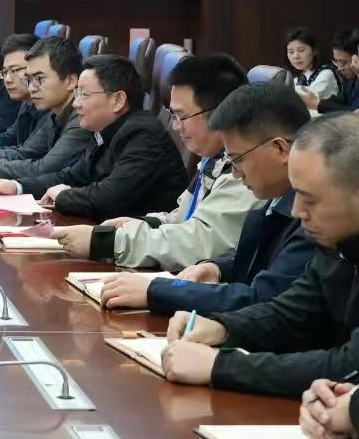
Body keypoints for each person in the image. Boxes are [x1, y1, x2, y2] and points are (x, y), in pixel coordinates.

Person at [161, 113, 359, 396]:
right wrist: (222, 327)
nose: (296, 211)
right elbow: (290, 313)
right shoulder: (336, 244)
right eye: (296, 195)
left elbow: (350, 366)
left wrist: (221, 366)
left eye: (310, 199)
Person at [97, 82, 314, 313]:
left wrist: (156, 291)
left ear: (280, 149)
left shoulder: (311, 217)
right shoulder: (276, 196)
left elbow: (262, 299)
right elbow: (259, 267)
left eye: (238, 159)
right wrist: (216, 268)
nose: (235, 173)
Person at [54, 54, 256, 270]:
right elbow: (185, 219)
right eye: (173, 115)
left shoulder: (245, 172)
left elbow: (197, 242)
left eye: (182, 116)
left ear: (221, 113)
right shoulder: (213, 159)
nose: (176, 126)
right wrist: (144, 223)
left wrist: (105, 242)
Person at [0, 55, 188, 219]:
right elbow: (71, 176)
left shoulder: (142, 134)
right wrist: (17, 186)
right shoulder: (105, 128)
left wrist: (63, 195)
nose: (76, 103)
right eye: (77, 94)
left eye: (83, 95)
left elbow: (108, 198)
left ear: (118, 100)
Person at [0, 36, 91, 181]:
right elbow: (27, 151)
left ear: (71, 81)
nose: (31, 88)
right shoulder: (56, 113)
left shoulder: (82, 118)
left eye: (39, 79)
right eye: (29, 79)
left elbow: (43, 168)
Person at [306, 28, 359, 113]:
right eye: (336, 62)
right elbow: (340, 100)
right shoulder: (353, 81)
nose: (339, 68)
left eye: (343, 62)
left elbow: (355, 113)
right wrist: (316, 101)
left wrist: (317, 104)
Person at [286, 26, 340, 101]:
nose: (296, 56)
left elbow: (306, 100)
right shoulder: (299, 78)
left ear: (314, 50)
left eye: (301, 50)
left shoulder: (326, 74)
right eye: (291, 52)